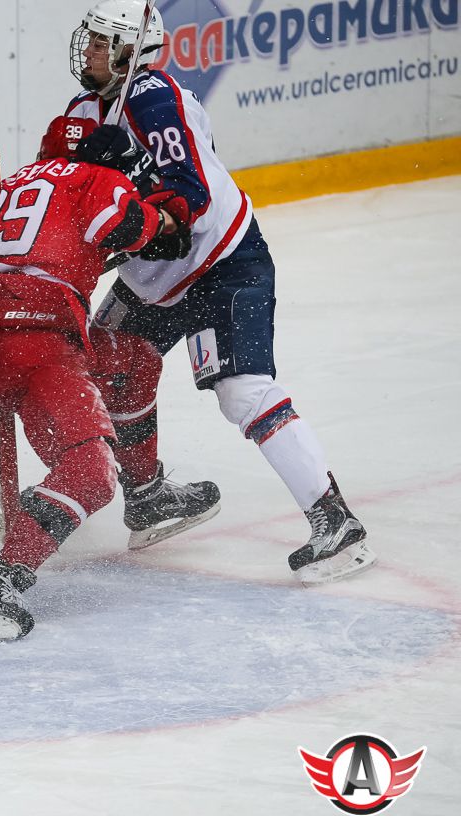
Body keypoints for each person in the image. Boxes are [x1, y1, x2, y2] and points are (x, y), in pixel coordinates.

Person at [65, 0, 374, 582]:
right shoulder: (84, 111)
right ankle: (149, 497)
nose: (90, 51)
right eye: (91, 39)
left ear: (132, 54)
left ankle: (335, 522)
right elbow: (56, 189)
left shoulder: (153, 99)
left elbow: (193, 199)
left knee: (242, 392)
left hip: (221, 264)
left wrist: (127, 182)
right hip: (154, 279)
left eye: (103, 43)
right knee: (107, 361)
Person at [0, 114, 190, 640]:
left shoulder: (1, 189)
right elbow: (129, 226)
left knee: (134, 361)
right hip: (40, 340)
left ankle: (146, 493)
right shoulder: (94, 177)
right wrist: (166, 218)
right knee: (90, 474)